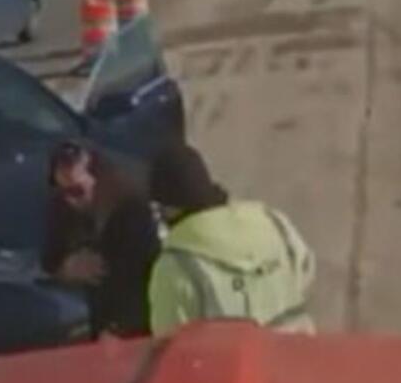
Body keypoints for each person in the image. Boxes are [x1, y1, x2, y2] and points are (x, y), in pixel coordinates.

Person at [146, 143, 316, 336]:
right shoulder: (273, 221)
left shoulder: (175, 267)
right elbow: (306, 272)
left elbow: (171, 347)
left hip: (229, 366)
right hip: (296, 357)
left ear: (169, 208)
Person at [42, 141, 161, 337]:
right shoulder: (62, 209)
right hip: (91, 315)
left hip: (130, 323)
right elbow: (48, 259)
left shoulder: (130, 213)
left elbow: (138, 275)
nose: (69, 199)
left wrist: (117, 327)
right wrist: (65, 268)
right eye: (61, 190)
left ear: (97, 180)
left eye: (77, 191)